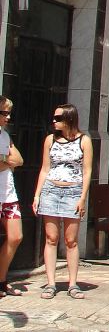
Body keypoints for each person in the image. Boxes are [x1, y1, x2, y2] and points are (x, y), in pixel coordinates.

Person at [32, 104, 92, 300]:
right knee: (51, 237)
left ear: (69, 119)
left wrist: (82, 197)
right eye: (54, 118)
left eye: (58, 118)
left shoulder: (84, 140)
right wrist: (37, 195)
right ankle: (51, 283)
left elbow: (87, 171)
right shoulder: (50, 140)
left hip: (73, 190)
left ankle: (73, 284)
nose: (54, 121)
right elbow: (44, 168)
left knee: (71, 240)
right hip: (51, 189)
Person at [0, 96, 25, 297]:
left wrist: (5, 161)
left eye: (8, 113)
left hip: (8, 194)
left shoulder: (5, 136)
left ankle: (1, 280)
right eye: (3, 113)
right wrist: (8, 161)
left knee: (16, 236)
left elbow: (20, 159)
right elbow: (11, 161)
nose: (7, 117)